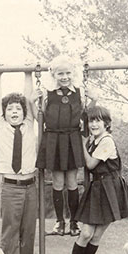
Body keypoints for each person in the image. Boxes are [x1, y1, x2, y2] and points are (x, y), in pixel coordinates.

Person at [61, 105, 128, 254]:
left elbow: (91, 163)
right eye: (91, 121)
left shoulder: (106, 141)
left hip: (110, 188)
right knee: (86, 233)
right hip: (99, 187)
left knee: (96, 235)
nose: (93, 124)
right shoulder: (95, 139)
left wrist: (83, 143)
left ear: (106, 124)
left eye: (97, 121)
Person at [36, 55, 95, 236]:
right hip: (53, 140)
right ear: (54, 75)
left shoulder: (80, 92)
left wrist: (94, 100)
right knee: (58, 182)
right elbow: (40, 116)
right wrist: (32, 100)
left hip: (72, 139)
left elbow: (89, 115)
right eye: (60, 73)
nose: (64, 77)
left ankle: (74, 222)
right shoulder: (48, 93)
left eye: (68, 73)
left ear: (73, 73)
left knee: (72, 182)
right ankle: (59, 221)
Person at [0, 72, 39, 254]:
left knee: (29, 228)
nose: (14, 111)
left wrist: (29, 74)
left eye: (18, 108)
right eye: (10, 109)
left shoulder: (29, 125)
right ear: (4, 114)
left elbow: (29, 99)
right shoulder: (1, 128)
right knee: (10, 229)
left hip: (31, 186)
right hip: (11, 187)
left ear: (24, 112)